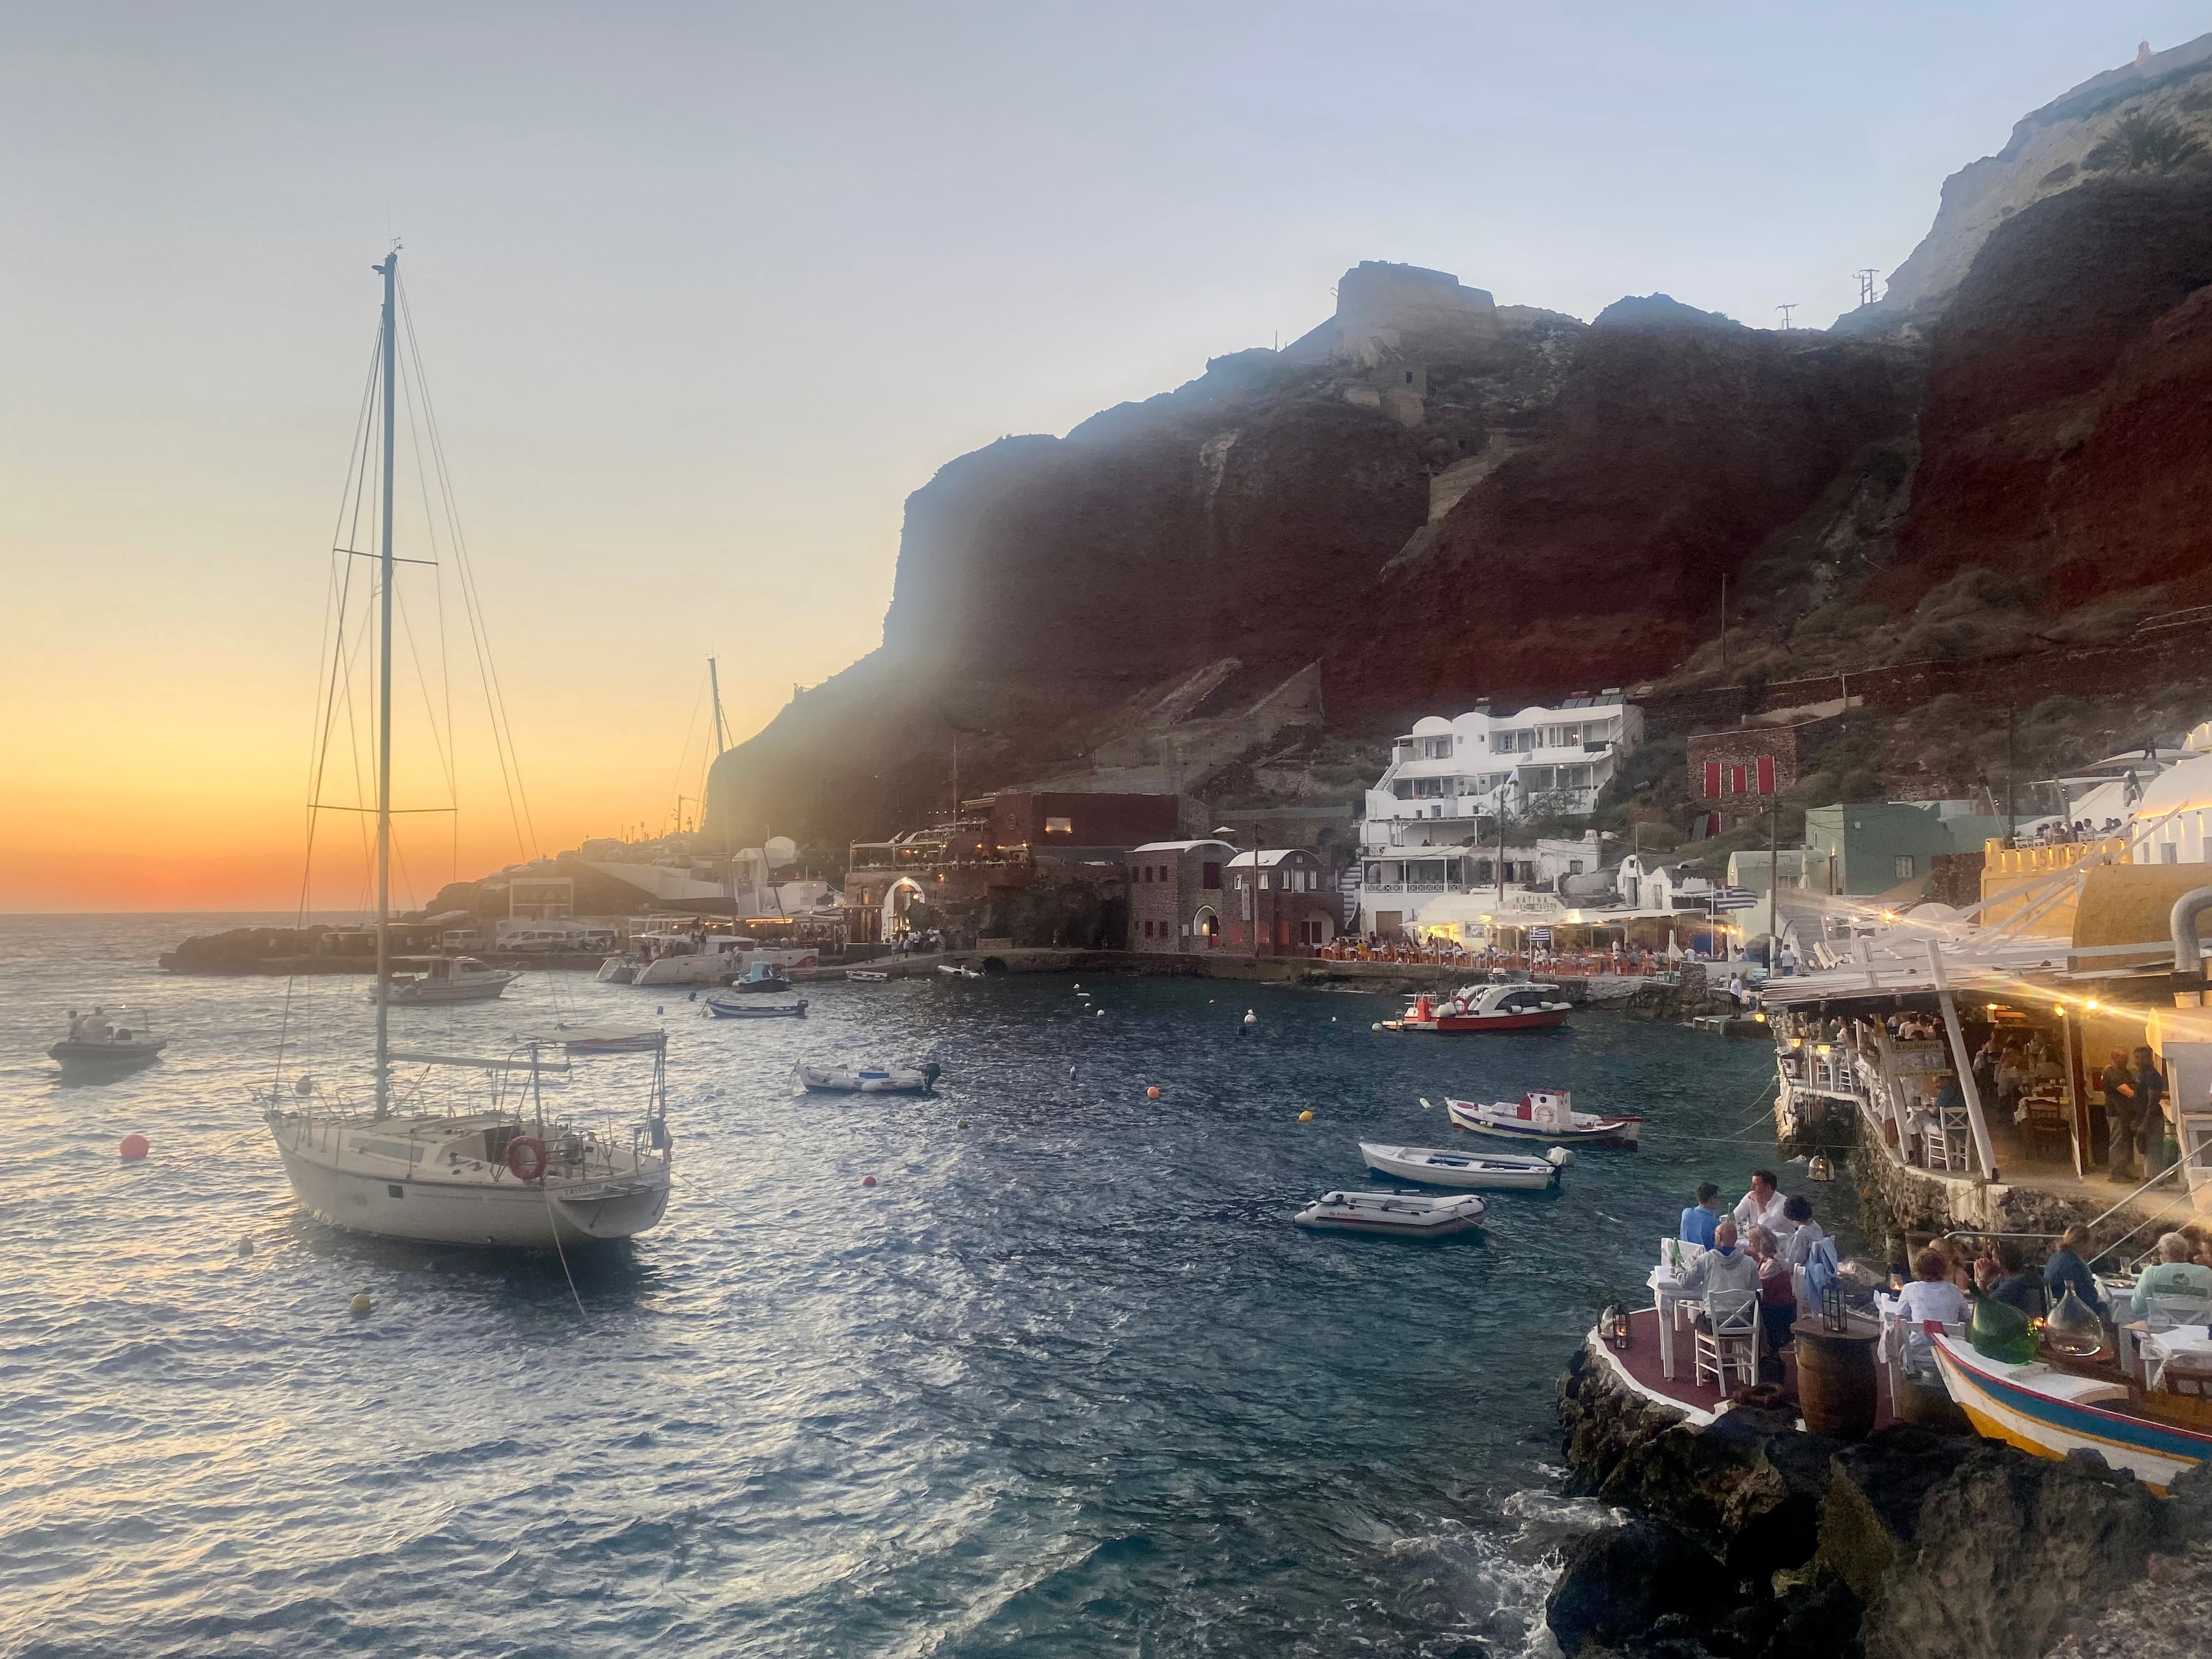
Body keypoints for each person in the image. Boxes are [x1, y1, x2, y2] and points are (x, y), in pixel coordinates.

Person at [1895, 1247, 1972, 1368]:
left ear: (1918, 1270)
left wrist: (1899, 1356)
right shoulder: (1954, 1290)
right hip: (1951, 1356)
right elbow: (1967, 1321)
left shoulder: (1909, 1289)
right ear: (1943, 1268)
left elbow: (1900, 1326)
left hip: (1918, 1354)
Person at [1676, 1219, 1760, 1321]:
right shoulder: (1749, 1262)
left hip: (1714, 1320)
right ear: (1736, 1239)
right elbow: (1756, 1291)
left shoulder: (1706, 1260)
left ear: (1719, 1238)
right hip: (1742, 1321)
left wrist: (1679, 1270)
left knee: (1697, 1320)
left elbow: (1686, 1283)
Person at [1747, 1225, 1797, 1358]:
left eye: (1753, 1241)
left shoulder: (1773, 1264)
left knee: (1747, 1313)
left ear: (1761, 1241)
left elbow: (1758, 1287)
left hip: (1778, 1311)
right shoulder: (1769, 1258)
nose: (1750, 1244)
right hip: (1779, 1305)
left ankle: (1759, 1353)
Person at [2134, 1233, 2212, 1311]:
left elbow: (2137, 1307)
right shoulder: (2207, 1273)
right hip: (2199, 1323)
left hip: (2159, 1323)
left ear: (2163, 1253)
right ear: (2185, 1252)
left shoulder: (2151, 1273)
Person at [2043, 1225, 2105, 1318]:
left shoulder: (2057, 1256)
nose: (2093, 1246)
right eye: (2091, 1242)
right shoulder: (2074, 1265)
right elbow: (2087, 1297)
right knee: (2112, 1311)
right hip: (2071, 1313)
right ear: (2081, 1243)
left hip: (2057, 1307)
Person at [1975, 1239, 2046, 1319]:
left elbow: (1983, 1303)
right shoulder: (2006, 1276)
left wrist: (1982, 1275)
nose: (1992, 1261)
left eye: (1994, 1258)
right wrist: (1978, 1271)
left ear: (2001, 1261)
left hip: (2021, 1325)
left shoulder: (2016, 1282)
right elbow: (1985, 1293)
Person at [2101, 1048, 2138, 1180]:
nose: (2127, 1060)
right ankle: (2116, 1173)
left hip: (2126, 1112)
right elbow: (2126, 1091)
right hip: (2116, 1112)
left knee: (2126, 1142)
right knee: (2117, 1142)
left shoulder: (2124, 1072)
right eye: (2123, 1058)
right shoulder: (2111, 1072)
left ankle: (2124, 1171)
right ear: (2115, 1057)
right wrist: (2141, 1095)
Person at [2133, 1047, 2168, 1180]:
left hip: (2152, 1117)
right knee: (2145, 1148)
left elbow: (2152, 1103)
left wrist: (2145, 1123)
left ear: (2150, 1059)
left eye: (2142, 1058)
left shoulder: (2152, 1076)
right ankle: (2150, 1177)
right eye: (2136, 1057)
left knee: (2153, 1148)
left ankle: (2156, 1180)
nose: (2139, 1061)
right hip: (2142, 1116)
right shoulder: (2141, 1075)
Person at [1733, 1169, 1789, 1235]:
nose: (1752, 1188)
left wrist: (1758, 1202)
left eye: (1756, 1185)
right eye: (1752, 1184)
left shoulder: (1783, 1203)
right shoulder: (1750, 1196)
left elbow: (1765, 1227)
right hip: (1758, 1240)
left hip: (1780, 1243)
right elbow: (1735, 1218)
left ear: (1768, 1187)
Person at [1679, 1182, 1723, 1248]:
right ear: (1711, 1199)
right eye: (1716, 1197)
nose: (1718, 1200)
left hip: (1686, 1254)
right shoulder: (1715, 1224)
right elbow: (1721, 1245)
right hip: (1705, 1257)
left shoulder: (1686, 1213)